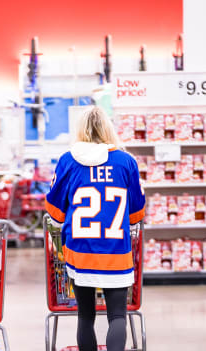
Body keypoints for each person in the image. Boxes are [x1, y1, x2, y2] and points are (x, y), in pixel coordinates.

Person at [45, 106, 145, 351]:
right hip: (116, 252)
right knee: (118, 316)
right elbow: (136, 215)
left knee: (86, 316)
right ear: (109, 129)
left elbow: (55, 213)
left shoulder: (68, 160)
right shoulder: (126, 162)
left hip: (80, 251)